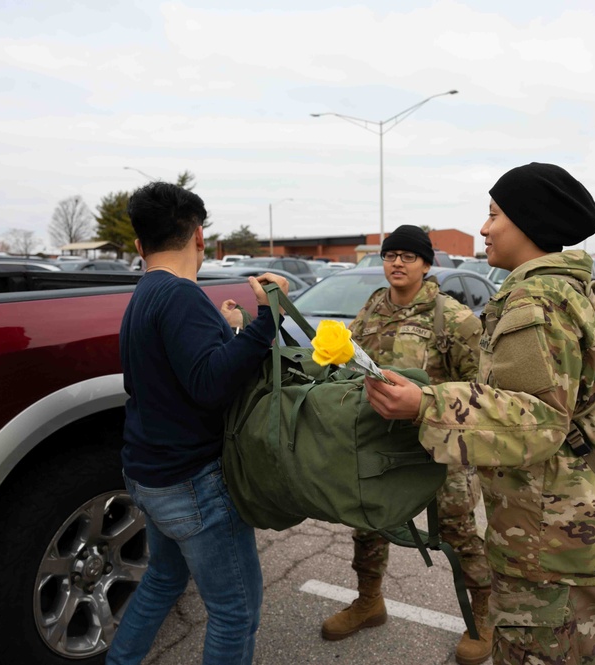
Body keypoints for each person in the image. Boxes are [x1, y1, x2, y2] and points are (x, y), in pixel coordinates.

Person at [362, 163, 595, 665]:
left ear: (529, 222)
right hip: (591, 524)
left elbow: (537, 419)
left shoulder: (535, 302)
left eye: (494, 215)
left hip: (550, 543)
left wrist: (424, 404)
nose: (485, 228)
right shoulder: (583, 293)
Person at [107, 182, 288, 665]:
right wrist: (266, 319)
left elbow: (181, 373)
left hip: (148, 472)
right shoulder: (182, 295)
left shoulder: (146, 293)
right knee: (236, 612)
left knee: (163, 580)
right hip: (191, 483)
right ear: (200, 236)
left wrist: (228, 333)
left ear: (140, 245)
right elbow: (209, 386)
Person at [320, 224, 493, 665]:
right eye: (390, 255)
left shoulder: (454, 319)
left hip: (439, 445)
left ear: (426, 264)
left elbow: (481, 390)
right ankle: (369, 602)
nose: (397, 262)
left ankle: (486, 618)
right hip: (381, 442)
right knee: (369, 523)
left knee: (459, 534)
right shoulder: (373, 308)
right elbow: (351, 360)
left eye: (408, 256)